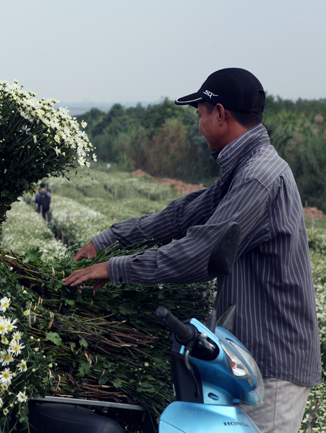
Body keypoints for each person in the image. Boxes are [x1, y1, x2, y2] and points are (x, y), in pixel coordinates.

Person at [63, 68, 321, 433]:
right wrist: (109, 239)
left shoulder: (258, 177)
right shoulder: (243, 168)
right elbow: (182, 215)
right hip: (247, 364)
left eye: (200, 113)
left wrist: (114, 269)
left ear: (220, 113)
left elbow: (200, 252)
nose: (199, 123)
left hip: (271, 369)